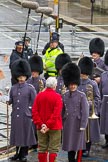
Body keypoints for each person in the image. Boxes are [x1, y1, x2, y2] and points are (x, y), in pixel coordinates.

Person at [8, 59, 37, 162]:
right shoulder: (13, 88)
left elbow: (34, 103)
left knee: (25, 136)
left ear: (26, 76)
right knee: (17, 135)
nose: (21, 79)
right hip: (16, 115)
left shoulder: (30, 88)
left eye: (23, 77)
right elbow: (12, 99)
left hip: (26, 115)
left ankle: (23, 154)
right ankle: (17, 153)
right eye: (19, 77)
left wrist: (32, 114)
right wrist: (8, 101)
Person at [61, 62, 89, 162]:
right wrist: (61, 123)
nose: (72, 86)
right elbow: (62, 110)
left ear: (76, 84)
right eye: (70, 84)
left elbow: (85, 112)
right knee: (69, 146)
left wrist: (83, 124)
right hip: (68, 123)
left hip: (78, 124)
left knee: (77, 146)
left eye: (74, 84)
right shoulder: (64, 95)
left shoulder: (82, 95)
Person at [32, 77, 63, 162]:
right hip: (54, 127)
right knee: (53, 149)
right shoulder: (57, 97)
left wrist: (42, 124)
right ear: (55, 86)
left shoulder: (39, 95)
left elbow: (34, 111)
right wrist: (48, 125)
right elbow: (56, 114)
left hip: (41, 127)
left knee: (42, 148)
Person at [78, 57, 101, 157]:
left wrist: (91, 105)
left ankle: (87, 148)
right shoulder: (77, 83)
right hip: (78, 111)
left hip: (89, 111)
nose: (82, 74)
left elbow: (97, 98)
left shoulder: (93, 84)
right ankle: (80, 147)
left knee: (88, 132)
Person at [99, 50, 108, 149]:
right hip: (105, 100)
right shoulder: (104, 75)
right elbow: (101, 88)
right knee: (105, 121)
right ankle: (107, 139)